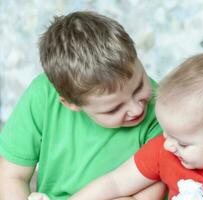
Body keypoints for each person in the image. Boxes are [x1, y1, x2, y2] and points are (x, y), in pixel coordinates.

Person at [64, 53, 203, 199]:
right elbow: (115, 182)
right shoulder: (166, 149)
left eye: (183, 143)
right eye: (167, 133)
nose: (168, 145)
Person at [0, 11, 166, 200]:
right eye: (114, 109)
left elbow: (146, 197)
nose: (137, 108)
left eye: (139, 86)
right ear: (70, 104)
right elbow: (12, 176)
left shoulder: (163, 109)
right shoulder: (43, 95)